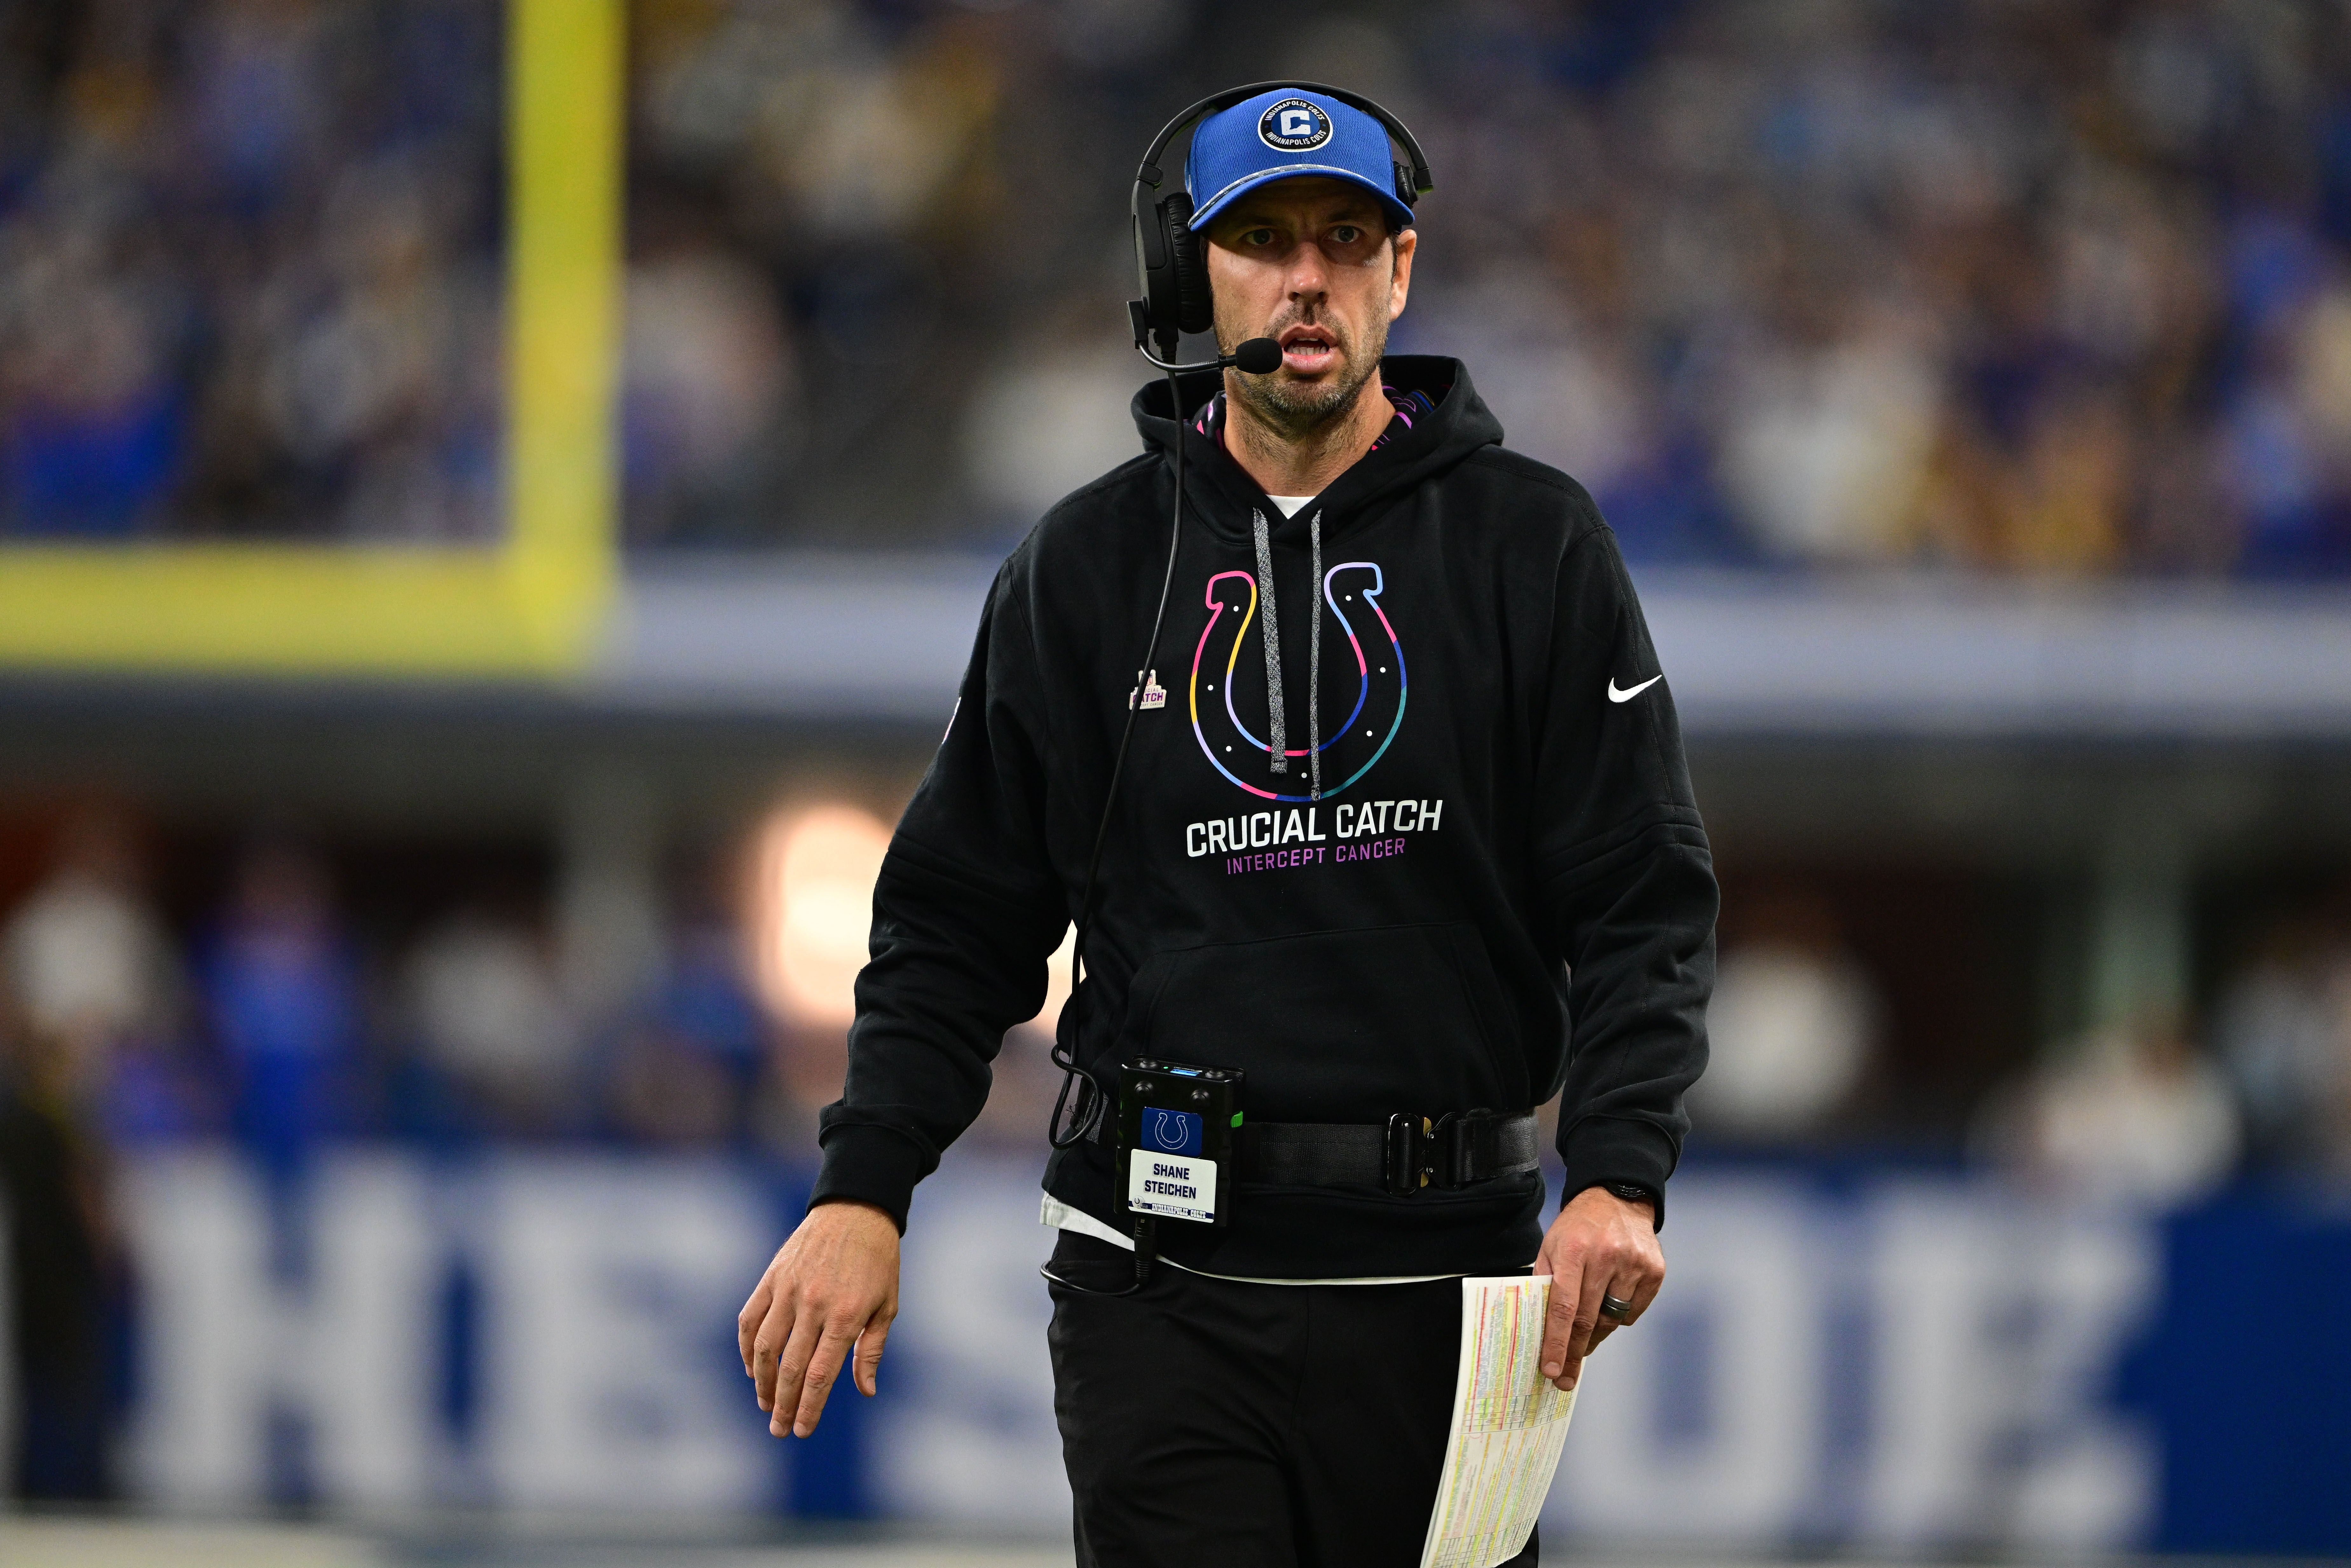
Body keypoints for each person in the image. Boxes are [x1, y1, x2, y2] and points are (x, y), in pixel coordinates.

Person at [738, 85, 1716, 1566]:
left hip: (1451, 1286)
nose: (1303, 276)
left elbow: (1640, 893)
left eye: (1343, 236)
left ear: (1401, 269)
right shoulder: (1080, 567)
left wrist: (1619, 1170)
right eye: (1257, 240)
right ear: (1192, 277)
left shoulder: (1534, 543)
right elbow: (955, 918)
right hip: (1159, 1289)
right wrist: (861, 1189)